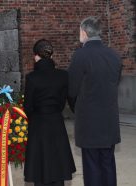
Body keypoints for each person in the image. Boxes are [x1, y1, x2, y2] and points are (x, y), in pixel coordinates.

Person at [68, 16, 122, 186]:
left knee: (91, 166)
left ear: (84, 32)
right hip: (109, 119)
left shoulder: (80, 55)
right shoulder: (114, 55)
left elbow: (71, 90)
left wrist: (77, 109)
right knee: (108, 163)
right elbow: (115, 83)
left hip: (89, 120)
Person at [24, 39, 76, 186]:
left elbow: (28, 106)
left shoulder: (32, 78)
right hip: (56, 122)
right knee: (58, 164)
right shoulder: (63, 75)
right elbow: (63, 101)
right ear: (51, 55)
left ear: (36, 56)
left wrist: (35, 117)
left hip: (38, 124)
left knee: (39, 166)